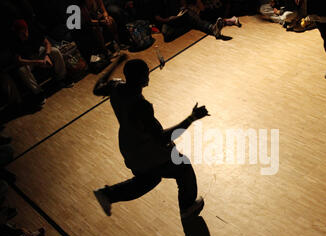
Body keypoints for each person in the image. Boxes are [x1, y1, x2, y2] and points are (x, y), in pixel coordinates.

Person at [92, 55, 209, 220]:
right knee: (182, 167)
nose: (148, 76)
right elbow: (162, 138)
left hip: (128, 145)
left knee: (150, 179)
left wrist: (114, 65)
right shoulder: (142, 106)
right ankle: (187, 207)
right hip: (146, 151)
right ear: (139, 78)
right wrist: (192, 118)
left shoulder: (115, 87)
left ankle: (108, 195)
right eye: (146, 74)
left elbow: (97, 88)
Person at [10, 19, 73, 106]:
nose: (25, 34)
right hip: (28, 60)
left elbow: (47, 43)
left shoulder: (33, 30)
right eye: (21, 33)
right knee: (22, 70)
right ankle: (38, 93)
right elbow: (18, 60)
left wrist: (46, 56)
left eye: (25, 31)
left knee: (55, 51)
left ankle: (62, 77)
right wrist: (36, 62)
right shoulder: (14, 41)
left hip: (38, 52)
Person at [153, 0, 225, 42]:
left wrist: (184, 7)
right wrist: (168, 19)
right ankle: (190, 26)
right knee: (167, 35)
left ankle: (212, 28)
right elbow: (157, 17)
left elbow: (183, 2)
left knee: (191, 15)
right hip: (167, 22)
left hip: (179, 17)